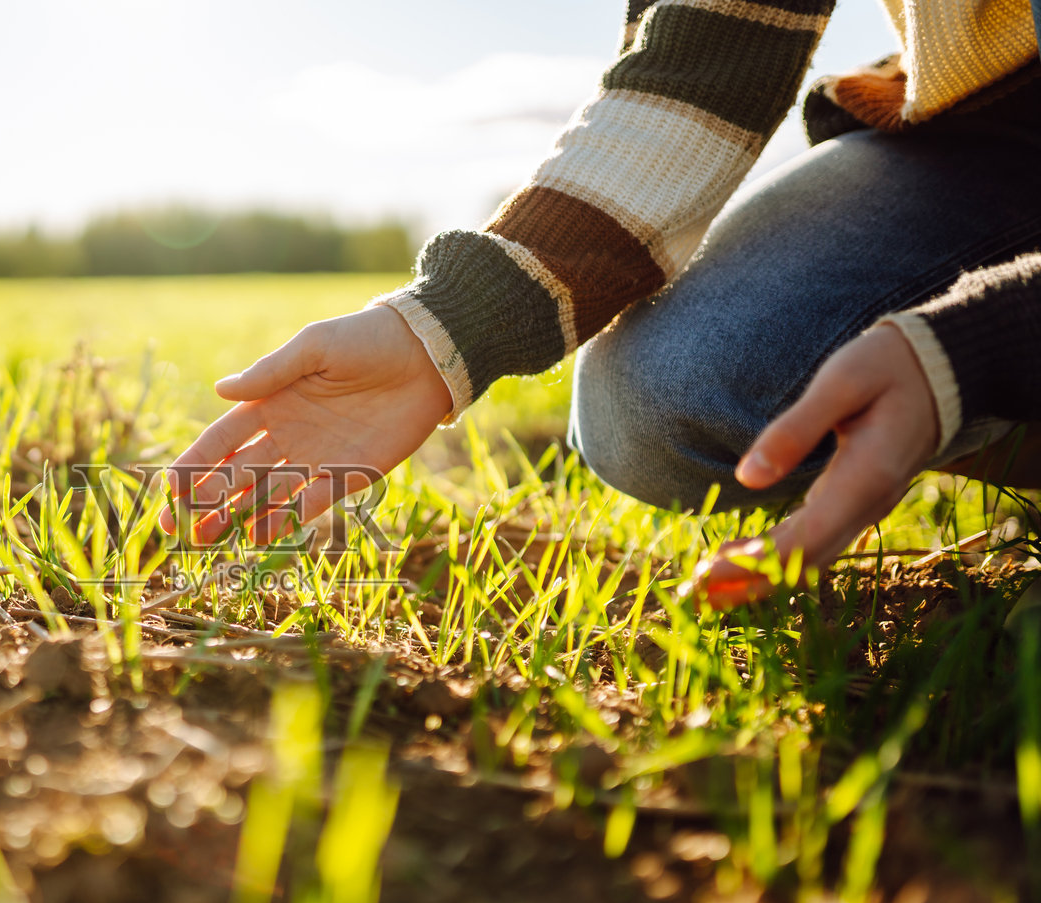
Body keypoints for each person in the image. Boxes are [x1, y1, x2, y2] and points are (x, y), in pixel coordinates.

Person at [160, 0, 1041, 608]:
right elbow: (710, 47)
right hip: (987, 129)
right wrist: (445, 328)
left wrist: (978, 349)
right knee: (657, 396)